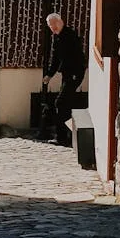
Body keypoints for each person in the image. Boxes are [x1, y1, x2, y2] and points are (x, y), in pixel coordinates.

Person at [42, 14, 85, 146]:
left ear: (61, 22)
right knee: (64, 104)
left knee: (60, 103)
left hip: (74, 73)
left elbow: (77, 57)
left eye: (54, 24)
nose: (53, 28)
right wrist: (49, 75)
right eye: (50, 26)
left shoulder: (70, 35)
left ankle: (63, 136)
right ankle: (66, 136)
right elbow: (55, 59)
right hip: (67, 74)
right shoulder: (57, 38)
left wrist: (75, 73)